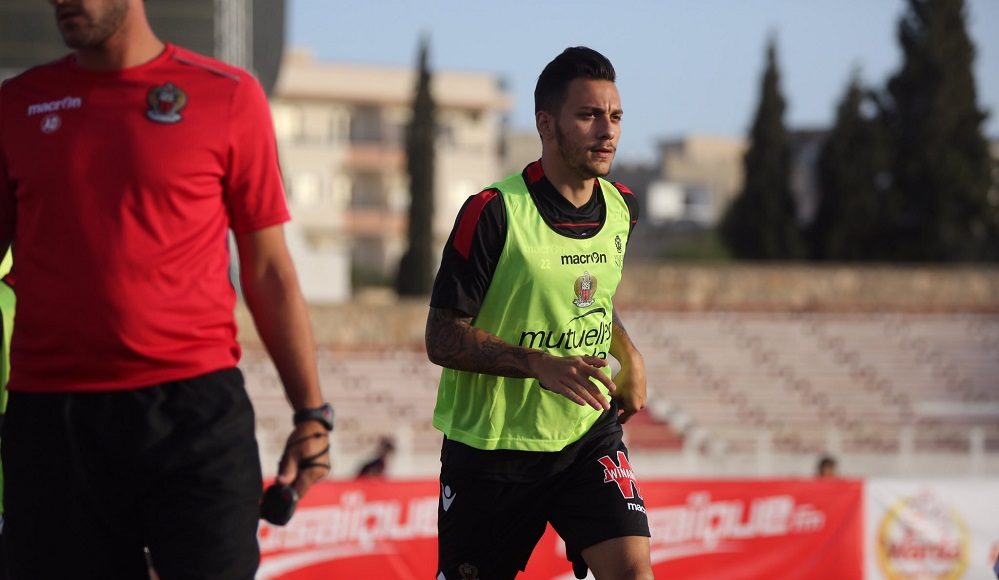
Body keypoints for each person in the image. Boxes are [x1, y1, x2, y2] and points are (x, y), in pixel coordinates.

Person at [0, 1, 333, 578]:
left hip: (193, 416)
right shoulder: (17, 104)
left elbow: (269, 271)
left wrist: (311, 414)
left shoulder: (227, 95)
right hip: (52, 420)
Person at [426, 47, 653, 580]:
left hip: (585, 434)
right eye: (589, 115)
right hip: (491, 448)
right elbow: (441, 337)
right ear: (546, 124)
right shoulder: (493, 212)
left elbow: (592, 297)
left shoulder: (622, 206)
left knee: (633, 571)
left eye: (615, 116)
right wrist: (537, 363)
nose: (607, 131)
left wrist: (630, 355)